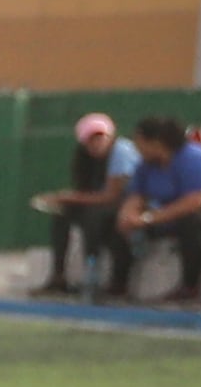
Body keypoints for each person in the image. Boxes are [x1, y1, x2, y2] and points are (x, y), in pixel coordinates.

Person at [120, 116, 201, 304]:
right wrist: (128, 217)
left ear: (156, 142)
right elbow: (136, 196)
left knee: (189, 222)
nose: (136, 146)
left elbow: (195, 201)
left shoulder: (193, 158)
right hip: (176, 216)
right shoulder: (146, 166)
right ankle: (118, 285)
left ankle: (190, 287)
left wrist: (148, 218)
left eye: (139, 141)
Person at [36, 111, 132, 300]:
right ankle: (58, 275)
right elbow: (86, 191)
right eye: (91, 139)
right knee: (62, 213)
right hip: (101, 206)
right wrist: (67, 200)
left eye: (100, 137)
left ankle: (92, 270)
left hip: (126, 205)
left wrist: (70, 197)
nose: (96, 144)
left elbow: (111, 196)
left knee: (92, 216)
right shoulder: (84, 159)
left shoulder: (122, 151)